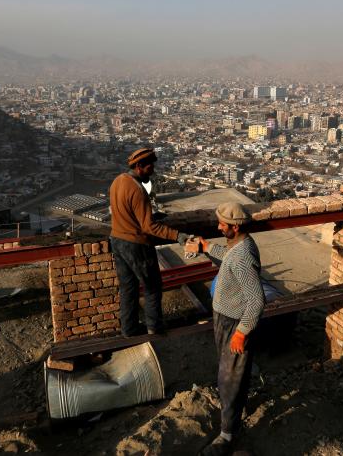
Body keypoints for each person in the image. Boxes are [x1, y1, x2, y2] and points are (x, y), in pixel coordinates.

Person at [195, 202, 265, 456]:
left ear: (235, 227)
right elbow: (228, 257)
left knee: (228, 378)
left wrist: (241, 332)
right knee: (232, 371)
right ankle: (236, 407)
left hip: (235, 323)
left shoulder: (243, 256)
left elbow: (257, 300)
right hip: (226, 319)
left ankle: (227, 436)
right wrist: (206, 247)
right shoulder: (238, 245)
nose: (218, 226)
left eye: (222, 224)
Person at [109, 147, 190, 337]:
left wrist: (150, 215)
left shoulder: (118, 181)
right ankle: (154, 328)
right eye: (149, 166)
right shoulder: (138, 190)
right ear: (138, 166)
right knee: (152, 287)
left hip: (117, 240)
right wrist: (178, 236)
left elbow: (126, 212)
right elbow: (149, 228)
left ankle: (128, 330)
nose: (152, 169)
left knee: (128, 288)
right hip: (136, 245)